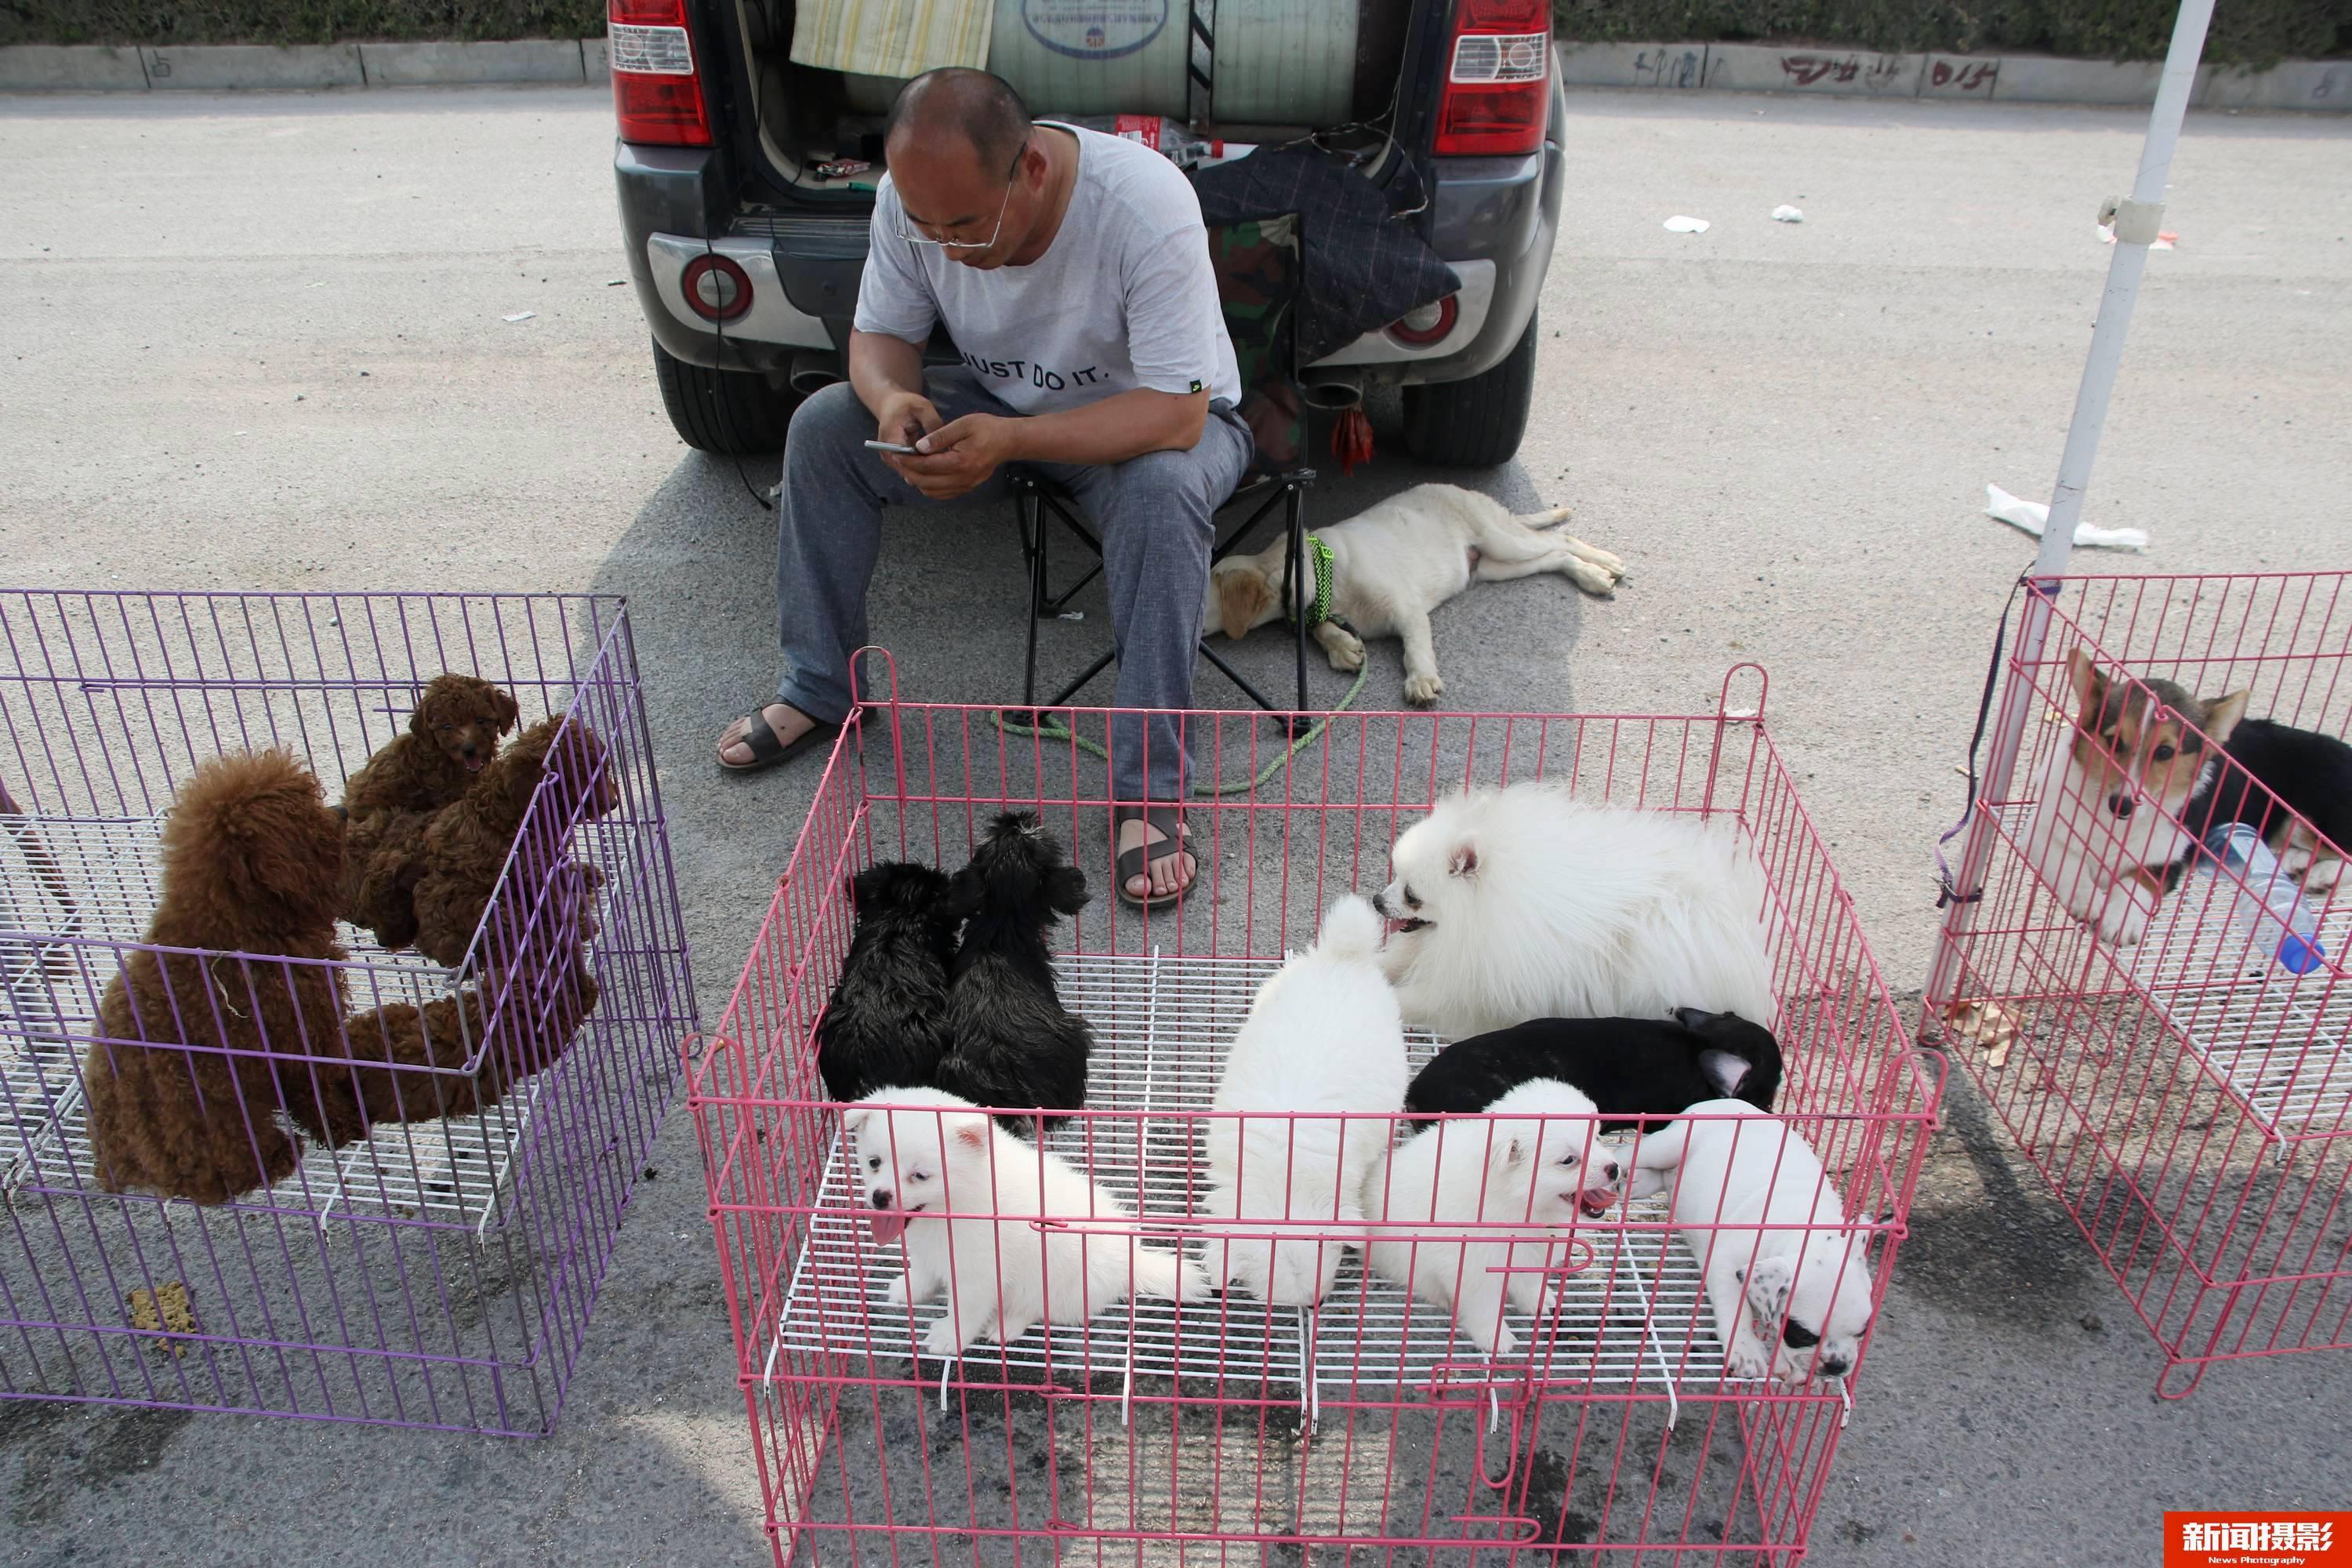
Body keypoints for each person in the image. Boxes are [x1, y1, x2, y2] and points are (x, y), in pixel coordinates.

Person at [714, 67, 1248, 908]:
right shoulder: (912, 198)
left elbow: (1178, 416)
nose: (949, 246)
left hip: (1151, 425)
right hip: (1004, 407)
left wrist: (1012, 440)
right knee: (824, 427)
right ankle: (820, 686)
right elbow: (880, 336)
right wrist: (895, 402)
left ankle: (1150, 793)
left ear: (1030, 169)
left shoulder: (1145, 204)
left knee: (1161, 495)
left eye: (965, 224)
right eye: (929, 228)